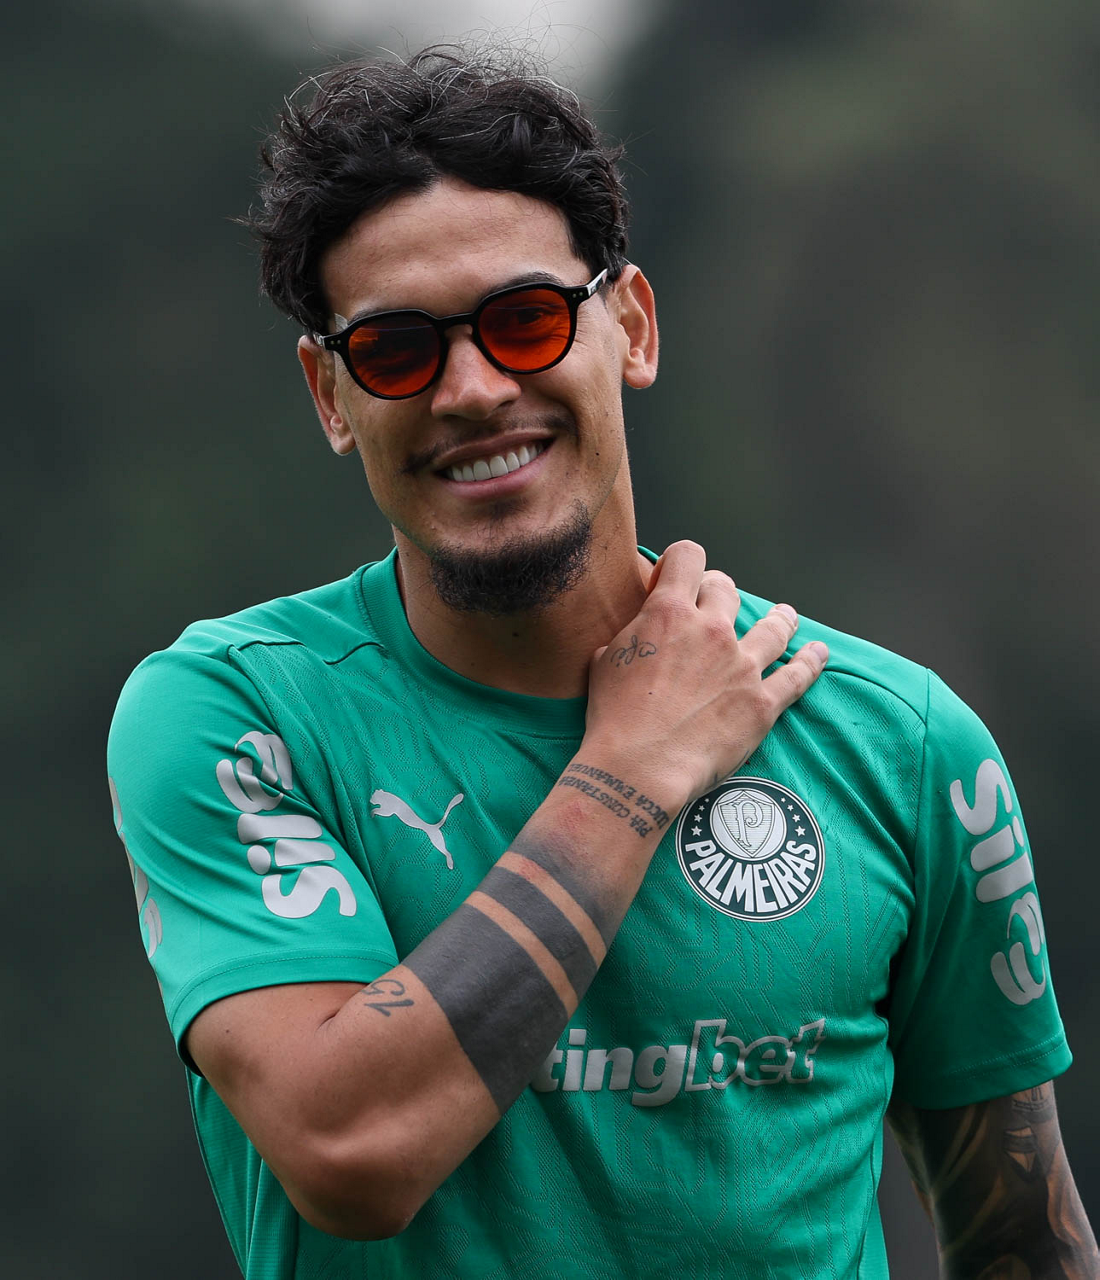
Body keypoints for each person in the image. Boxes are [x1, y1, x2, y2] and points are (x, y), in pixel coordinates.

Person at [107, 45, 1097, 1280]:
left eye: (523, 320)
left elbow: (1023, 1241)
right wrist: (629, 766)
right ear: (329, 396)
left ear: (628, 326)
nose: (472, 389)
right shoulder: (236, 715)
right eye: (398, 350)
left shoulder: (902, 744)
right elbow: (348, 1145)